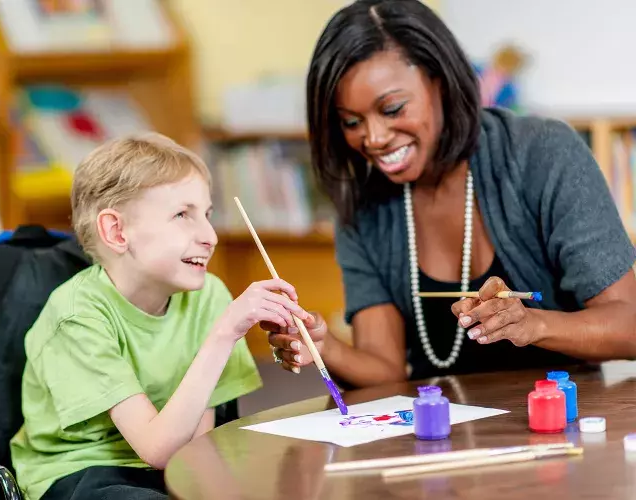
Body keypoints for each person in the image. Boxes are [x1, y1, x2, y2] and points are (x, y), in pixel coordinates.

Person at [267, 0, 636, 385]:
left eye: (392, 108)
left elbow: (630, 327)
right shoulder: (363, 204)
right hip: (436, 434)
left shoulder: (543, 153)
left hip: (560, 427)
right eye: (352, 121)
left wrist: (532, 324)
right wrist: (322, 345)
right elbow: (385, 367)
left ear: (439, 82)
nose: (373, 138)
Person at [9, 133, 314, 500]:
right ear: (117, 231)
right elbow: (159, 451)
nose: (210, 236)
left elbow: (192, 452)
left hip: (172, 465)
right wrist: (223, 335)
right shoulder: (77, 315)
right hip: (83, 472)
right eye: (183, 214)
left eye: (208, 214)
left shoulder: (208, 296)